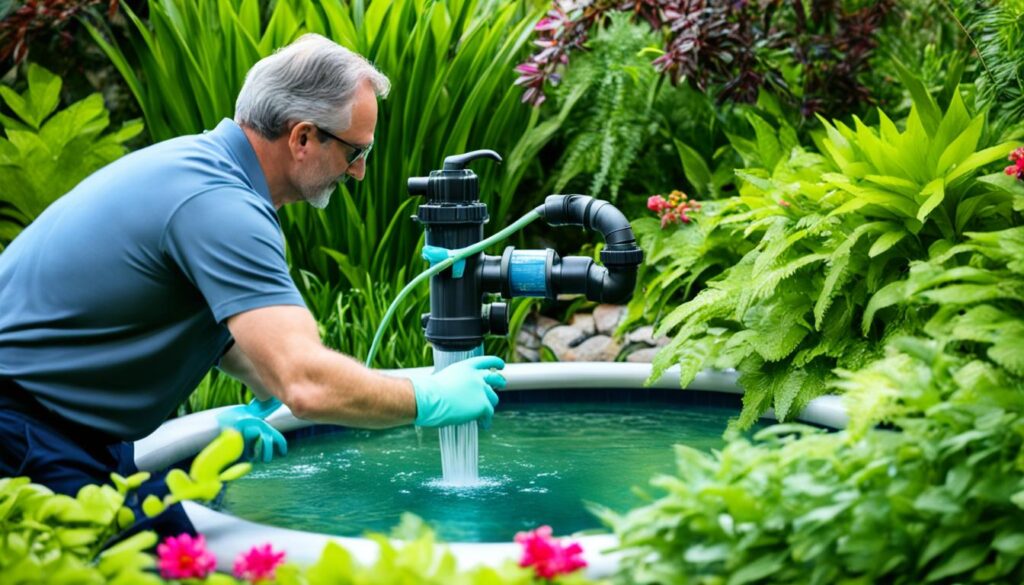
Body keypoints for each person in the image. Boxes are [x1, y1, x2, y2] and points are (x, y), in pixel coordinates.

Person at [0, 33, 506, 537]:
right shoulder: (221, 206)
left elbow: (237, 343)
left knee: (182, 555)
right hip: (24, 428)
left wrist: (264, 394)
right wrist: (426, 398)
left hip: (57, 422)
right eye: (355, 151)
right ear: (303, 138)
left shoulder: (200, 169)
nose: (359, 172)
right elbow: (306, 381)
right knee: (175, 566)